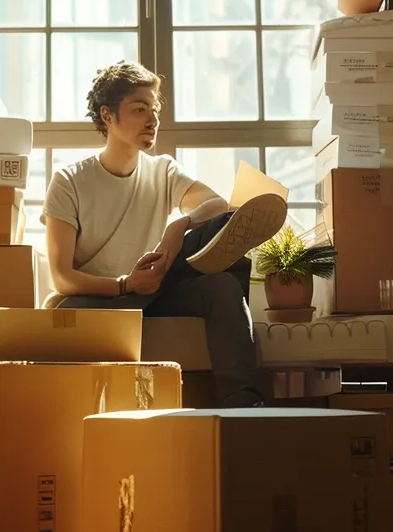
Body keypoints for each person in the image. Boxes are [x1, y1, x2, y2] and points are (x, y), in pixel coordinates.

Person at [42, 62, 287, 408]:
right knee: (209, 248)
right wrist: (126, 284)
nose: (153, 119)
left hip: (156, 290)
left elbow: (215, 203)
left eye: (154, 110)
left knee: (221, 278)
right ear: (107, 116)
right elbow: (62, 277)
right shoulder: (69, 181)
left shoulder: (163, 170)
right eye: (140, 109)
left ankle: (244, 403)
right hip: (101, 297)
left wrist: (177, 228)